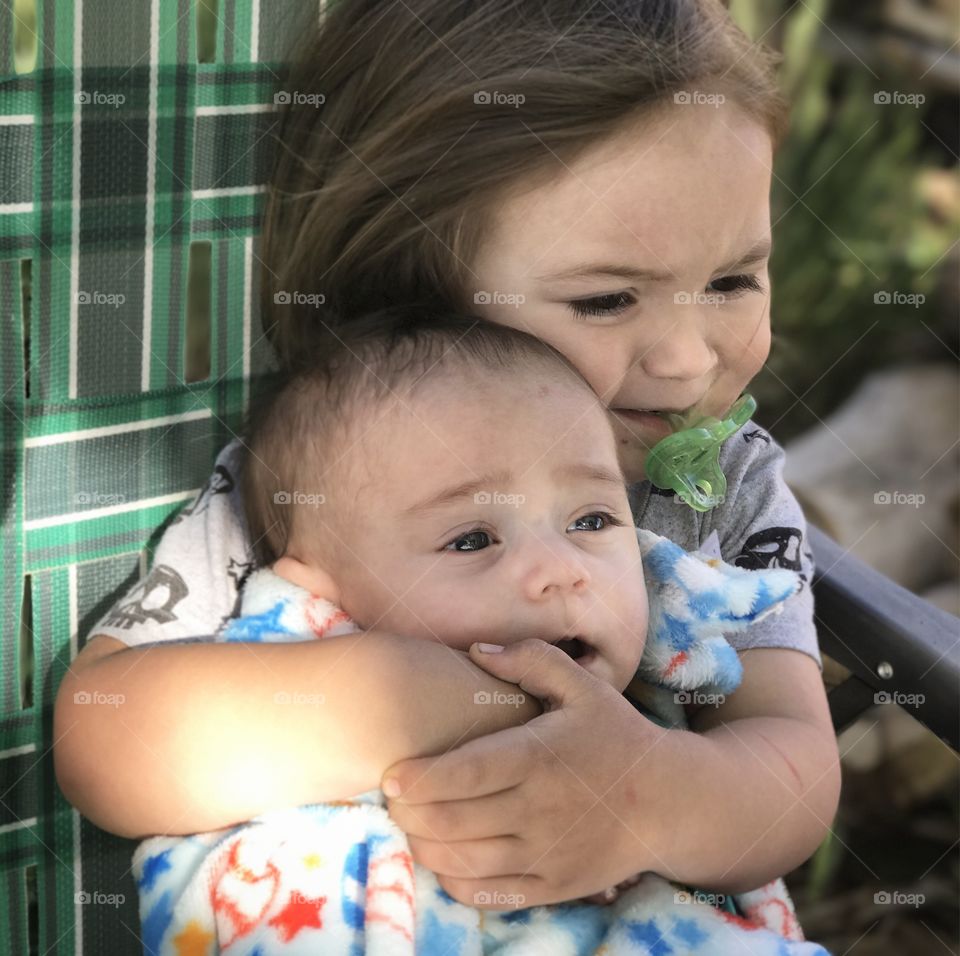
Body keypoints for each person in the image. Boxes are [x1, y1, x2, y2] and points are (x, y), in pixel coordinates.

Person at [55, 0, 840, 911]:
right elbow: (107, 736)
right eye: (605, 299)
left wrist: (648, 798)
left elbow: (794, 772)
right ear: (416, 285)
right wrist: (434, 697)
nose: (689, 359)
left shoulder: (721, 489)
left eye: (734, 281)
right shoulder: (333, 468)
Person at [132, 311, 825, 955]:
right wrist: (419, 700)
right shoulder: (294, 664)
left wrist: (651, 799)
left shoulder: (659, 675)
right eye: (471, 539)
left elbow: (791, 793)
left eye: (591, 521)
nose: (562, 571)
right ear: (320, 591)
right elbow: (131, 749)